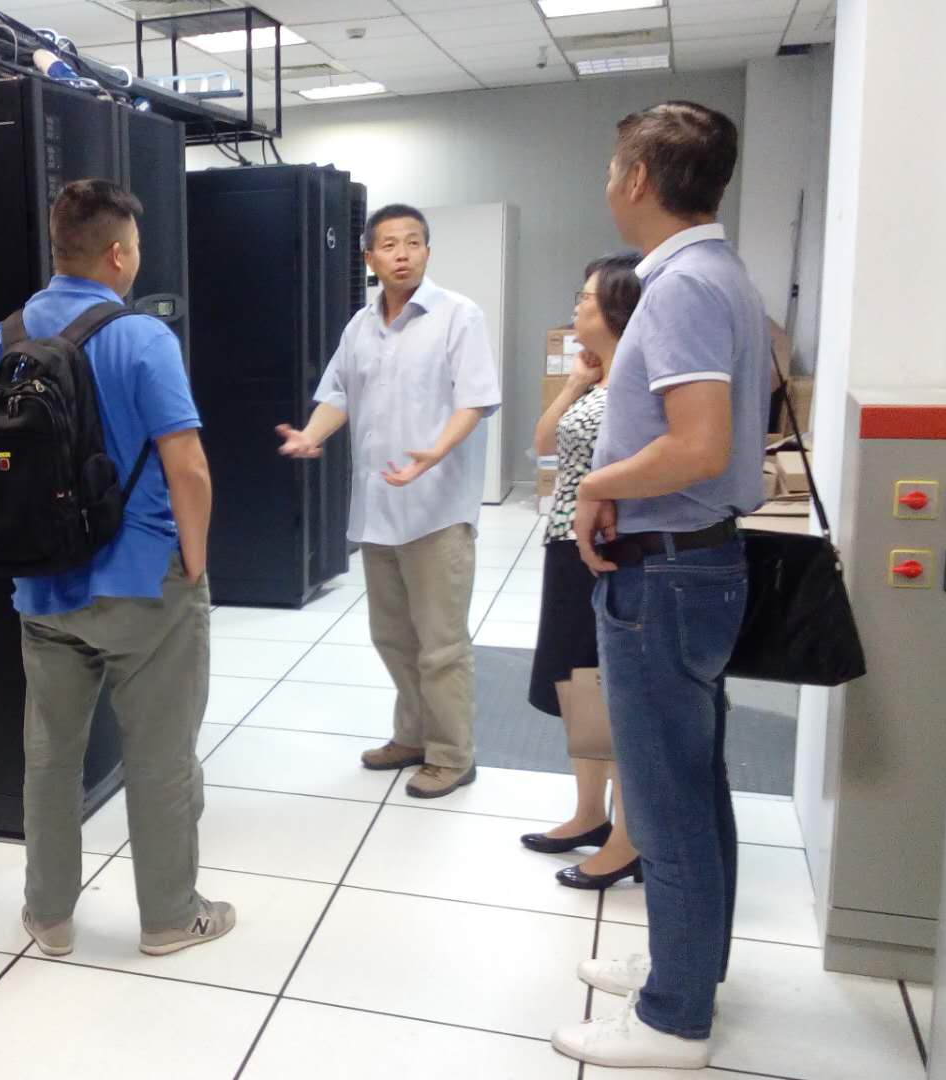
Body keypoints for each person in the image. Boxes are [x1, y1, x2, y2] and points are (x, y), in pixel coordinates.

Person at [550, 102, 769, 1071]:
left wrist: (597, 484)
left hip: (666, 575)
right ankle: (691, 965)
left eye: (613, 167)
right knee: (696, 787)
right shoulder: (720, 275)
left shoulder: (680, 287)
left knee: (668, 800)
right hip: (694, 565)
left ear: (638, 179)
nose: (608, 182)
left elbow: (698, 445)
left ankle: (674, 1018)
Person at [0, 179, 232, 959]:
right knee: (159, 756)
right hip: (143, 580)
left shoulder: (5, 334)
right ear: (118, 254)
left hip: (40, 582)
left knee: (51, 760)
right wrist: (194, 562)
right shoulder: (143, 337)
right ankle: (169, 918)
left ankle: (49, 917)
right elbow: (187, 464)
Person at [276, 203, 501, 800]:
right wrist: (311, 436)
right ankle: (414, 735)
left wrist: (435, 452)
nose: (403, 254)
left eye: (414, 242)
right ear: (369, 256)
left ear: (427, 250)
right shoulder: (360, 326)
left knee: (441, 643)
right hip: (378, 509)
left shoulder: (458, 316)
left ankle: (452, 755)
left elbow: (476, 400)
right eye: (390, 244)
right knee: (393, 636)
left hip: (437, 509)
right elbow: (338, 394)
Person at [522, 252, 645, 890]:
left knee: (610, 691)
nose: (576, 305)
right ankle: (590, 813)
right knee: (579, 686)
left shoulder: (640, 383)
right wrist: (574, 383)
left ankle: (629, 838)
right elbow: (544, 443)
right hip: (566, 545)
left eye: (586, 298)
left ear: (619, 308)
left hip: (606, 551)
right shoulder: (601, 380)